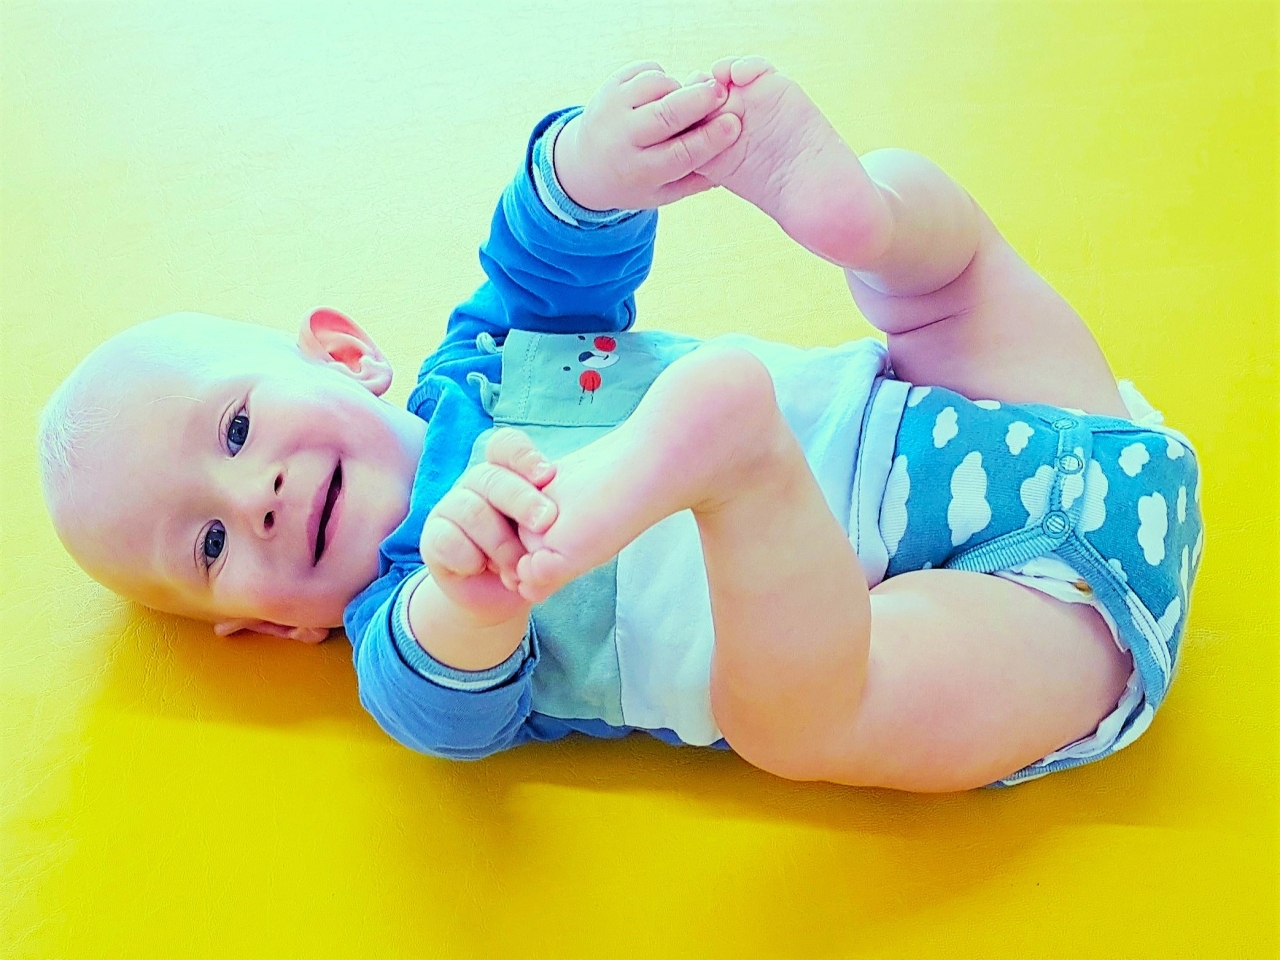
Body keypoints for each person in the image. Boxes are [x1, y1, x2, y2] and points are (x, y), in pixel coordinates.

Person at [37, 56, 1203, 792]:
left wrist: (586, 170)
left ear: (343, 355)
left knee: (946, 273)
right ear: (267, 628)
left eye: (235, 431)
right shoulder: (401, 619)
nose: (253, 498)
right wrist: (472, 591)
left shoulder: (479, 363)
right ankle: (737, 461)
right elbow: (444, 707)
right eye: (208, 543)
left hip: (1032, 417)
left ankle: (863, 219)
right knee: (811, 718)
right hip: (1029, 631)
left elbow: (542, 262)